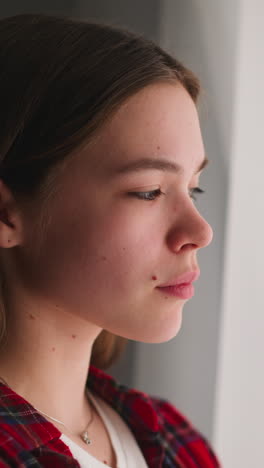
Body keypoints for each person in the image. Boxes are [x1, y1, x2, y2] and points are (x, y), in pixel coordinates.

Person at [0, 12, 221, 468]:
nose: (200, 232)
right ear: (6, 214)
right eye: (148, 191)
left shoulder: (180, 445)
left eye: (193, 188)